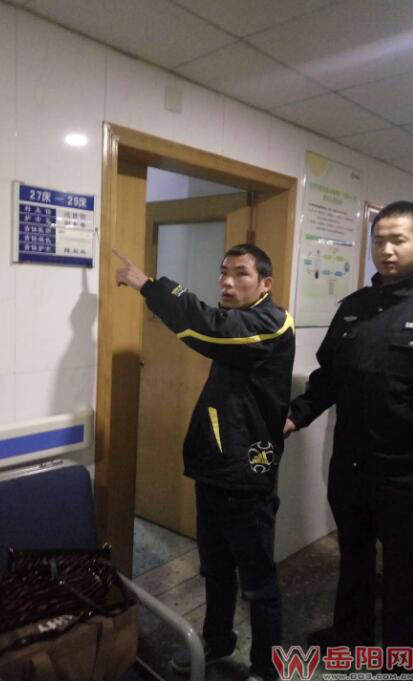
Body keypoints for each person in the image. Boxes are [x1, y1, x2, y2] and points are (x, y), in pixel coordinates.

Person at [114, 244, 295, 680]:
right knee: (215, 570)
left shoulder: (271, 323)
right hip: (215, 467)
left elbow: (207, 327)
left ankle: (267, 667)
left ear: (265, 284)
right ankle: (218, 640)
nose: (227, 282)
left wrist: (147, 285)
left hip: (245, 476)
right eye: (223, 272)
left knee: (259, 583)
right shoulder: (244, 320)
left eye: (240, 274)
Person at [284, 201, 413, 652]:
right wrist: (296, 414)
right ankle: (351, 634)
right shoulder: (355, 307)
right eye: (379, 241)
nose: (387, 250)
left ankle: (399, 653)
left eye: (399, 240)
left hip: (404, 474)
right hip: (352, 465)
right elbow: (329, 377)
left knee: (403, 568)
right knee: (355, 555)